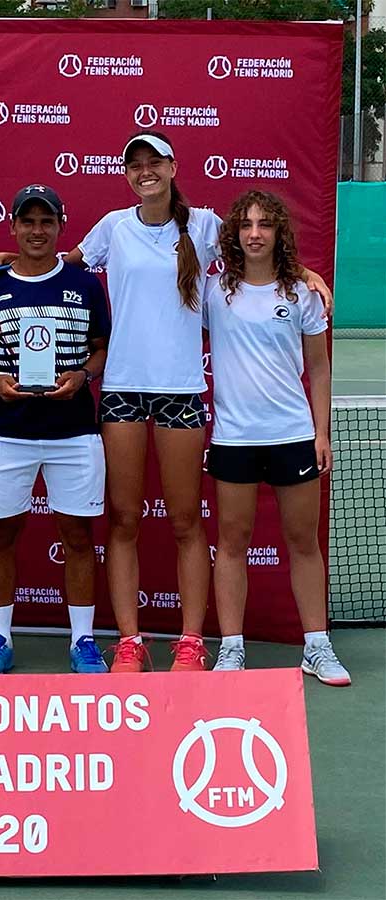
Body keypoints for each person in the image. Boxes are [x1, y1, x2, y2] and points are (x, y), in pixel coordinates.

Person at [0, 131, 333, 674]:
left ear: (171, 168)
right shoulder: (113, 227)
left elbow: (258, 251)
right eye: (135, 164)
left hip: (181, 392)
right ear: (127, 174)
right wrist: (4, 257)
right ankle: (128, 641)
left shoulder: (206, 225)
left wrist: (303, 272)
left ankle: (191, 642)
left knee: (187, 521)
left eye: (154, 162)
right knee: (123, 519)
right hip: (121, 390)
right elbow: (55, 262)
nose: (145, 171)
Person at [0, 185, 111, 674]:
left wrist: (84, 376)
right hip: (4, 430)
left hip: (74, 430)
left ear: (60, 227)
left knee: (78, 536)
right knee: (1, 535)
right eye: (28, 221)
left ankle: (83, 640)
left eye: (46, 222)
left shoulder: (86, 284)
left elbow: (100, 347)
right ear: (13, 227)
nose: (37, 230)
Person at [204, 190, 350, 686]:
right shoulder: (213, 292)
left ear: (278, 233)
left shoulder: (303, 294)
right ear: (234, 235)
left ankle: (317, 645)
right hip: (234, 438)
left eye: (265, 224)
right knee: (232, 541)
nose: (255, 233)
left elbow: (319, 366)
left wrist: (320, 433)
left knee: (303, 542)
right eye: (246, 225)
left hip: (292, 435)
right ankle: (230, 649)